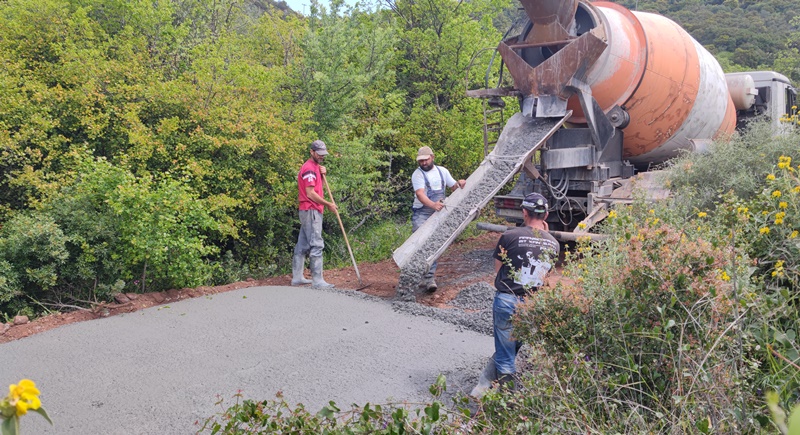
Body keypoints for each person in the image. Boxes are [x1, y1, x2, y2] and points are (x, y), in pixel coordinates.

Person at [491, 192, 559, 388]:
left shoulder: (509, 236)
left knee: (505, 355)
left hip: (506, 300)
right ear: (545, 216)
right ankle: (487, 385)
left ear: (524, 213)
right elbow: (546, 275)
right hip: (532, 304)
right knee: (511, 349)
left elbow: (498, 270)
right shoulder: (554, 244)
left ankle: (505, 402)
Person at [411, 146, 466, 292]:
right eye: (421, 161)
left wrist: (459, 184)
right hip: (422, 213)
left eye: (425, 160)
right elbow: (420, 194)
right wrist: (433, 205)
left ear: (432, 157)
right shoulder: (418, 175)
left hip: (437, 212)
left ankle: (429, 277)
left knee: (433, 245)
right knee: (421, 244)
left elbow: (453, 187)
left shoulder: (442, 171)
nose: (423, 163)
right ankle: (417, 275)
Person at [291, 140, 337, 288]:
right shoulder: (309, 169)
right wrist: (328, 204)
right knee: (316, 243)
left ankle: (297, 277)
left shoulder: (316, 168)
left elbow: (317, 188)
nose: (322, 156)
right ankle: (317, 280)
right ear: (312, 152)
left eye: (323, 154)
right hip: (311, 209)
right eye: (319, 153)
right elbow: (310, 194)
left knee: (303, 243)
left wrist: (323, 175)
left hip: (310, 209)